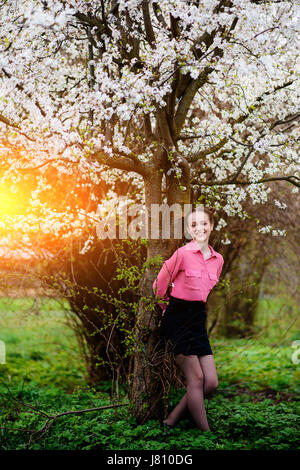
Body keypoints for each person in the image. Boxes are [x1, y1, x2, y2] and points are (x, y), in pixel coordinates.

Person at [152, 206, 224, 432]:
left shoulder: (218, 260)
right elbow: (158, 286)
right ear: (188, 229)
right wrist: (167, 310)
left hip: (198, 320)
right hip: (177, 319)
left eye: (204, 223)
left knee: (210, 382)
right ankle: (207, 436)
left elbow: (205, 290)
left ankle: (172, 419)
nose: (200, 228)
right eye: (194, 225)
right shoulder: (182, 254)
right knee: (196, 380)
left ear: (212, 226)